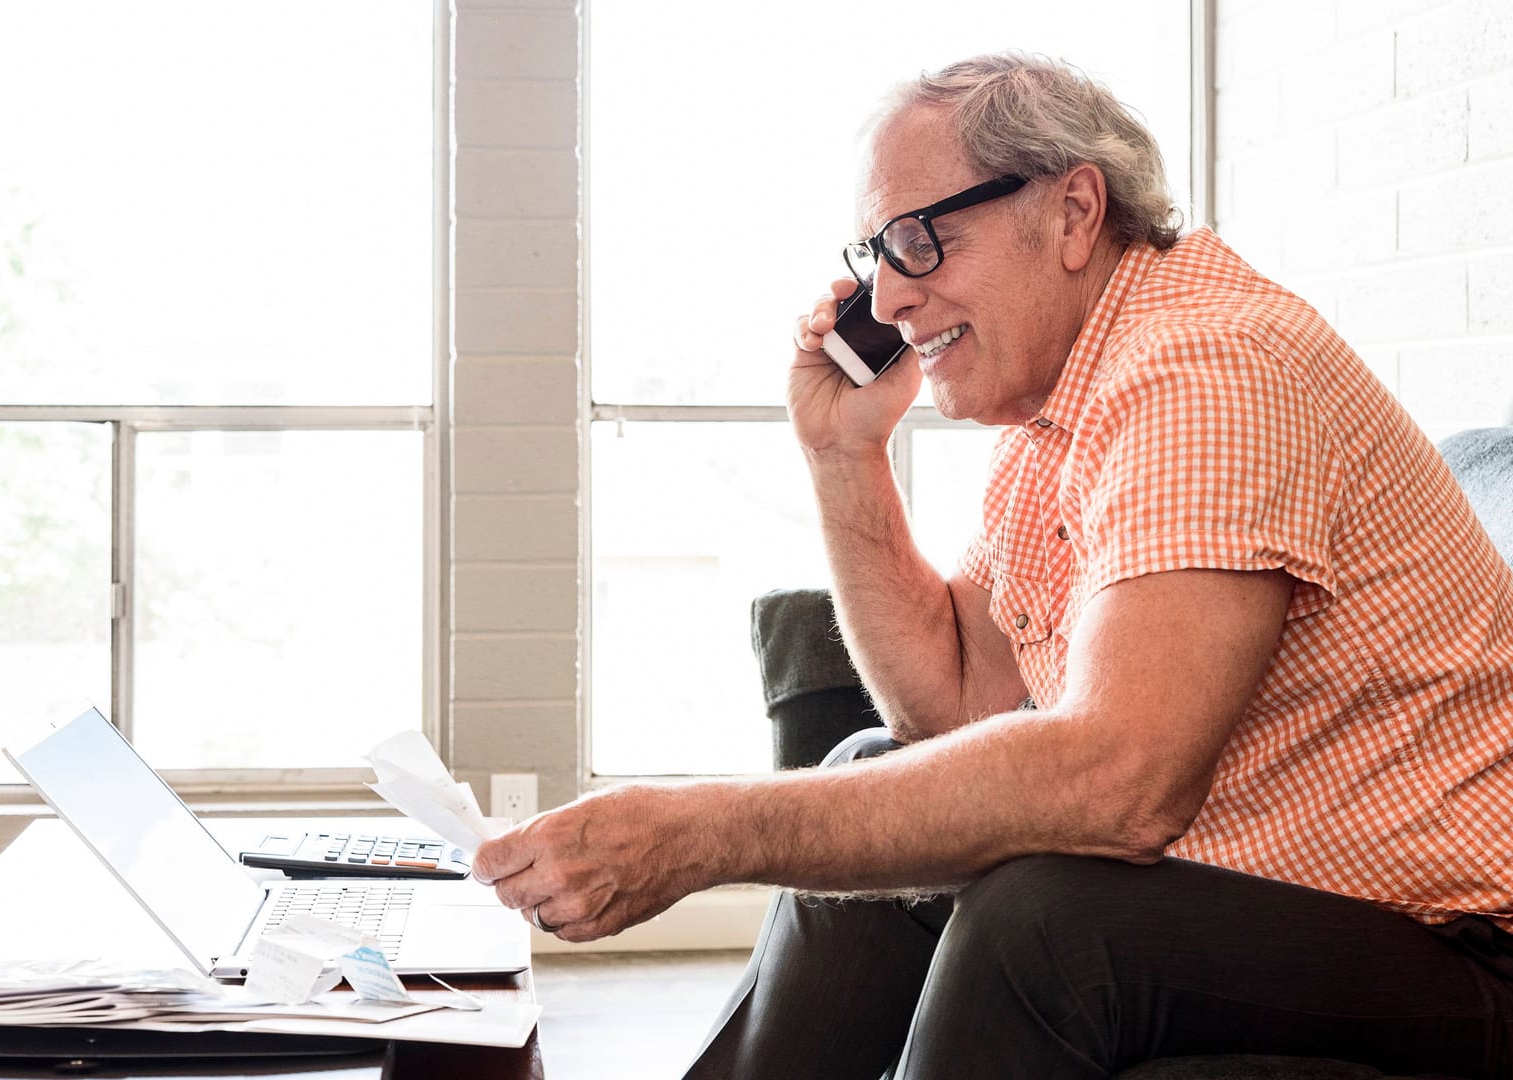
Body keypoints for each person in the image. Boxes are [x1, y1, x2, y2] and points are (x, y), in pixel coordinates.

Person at [471, 53, 1513, 1077]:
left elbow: (1120, 781)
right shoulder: (1060, 410)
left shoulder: (1208, 367)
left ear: (1071, 212)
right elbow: (951, 708)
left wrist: (700, 832)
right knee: (873, 771)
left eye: (919, 240)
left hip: (1453, 943)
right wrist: (844, 457)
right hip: (1265, 895)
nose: (886, 298)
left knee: (1045, 925)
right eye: (875, 252)